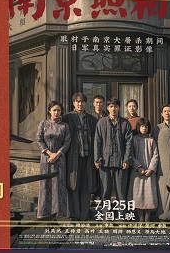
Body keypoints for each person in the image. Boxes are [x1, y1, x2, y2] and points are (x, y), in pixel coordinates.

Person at [36, 101, 72, 220]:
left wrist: (57, 154)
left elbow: (67, 142)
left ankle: (60, 212)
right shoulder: (43, 124)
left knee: (59, 183)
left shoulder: (64, 126)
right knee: (45, 184)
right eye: (54, 110)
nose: (56, 112)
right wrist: (49, 153)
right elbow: (39, 140)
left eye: (58, 110)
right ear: (49, 111)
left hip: (60, 158)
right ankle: (44, 212)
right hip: (46, 158)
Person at [94, 99, 132, 203]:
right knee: (105, 190)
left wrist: (127, 159)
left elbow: (129, 143)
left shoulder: (125, 123)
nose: (113, 109)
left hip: (121, 162)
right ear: (107, 108)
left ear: (119, 108)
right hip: (105, 161)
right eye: (111, 106)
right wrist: (97, 159)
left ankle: (121, 212)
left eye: (115, 106)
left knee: (121, 191)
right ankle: (106, 212)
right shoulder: (101, 122)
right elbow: (97, 142)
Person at [65, 91, 95, 220]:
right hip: (73, 158)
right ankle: (75, 214)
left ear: (85, 103)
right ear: (73, 103)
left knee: (86, 187)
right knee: (73, 186)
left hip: (88, 158)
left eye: (82, 102)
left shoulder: (91, 119)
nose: (80, 104)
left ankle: (84, 215)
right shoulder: (67, 118)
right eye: (77, 102)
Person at [128, 119, 161, 222]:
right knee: (138, 195)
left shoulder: (151, 140)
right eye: (142, 126)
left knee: (149, 196)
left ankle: (147, 219)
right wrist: (138, 167)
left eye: (146, 126)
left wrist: (151, 169)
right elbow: (131, 155)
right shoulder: (134, 140)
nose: (144, 128)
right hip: (137, 172)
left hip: (149, 173)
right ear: (138, 128)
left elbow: (155, 156)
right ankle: (140, 219)